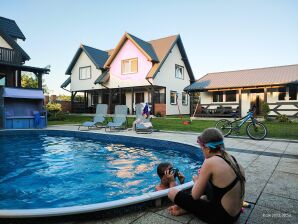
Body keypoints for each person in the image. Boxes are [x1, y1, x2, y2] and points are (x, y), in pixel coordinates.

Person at [167, 128, 246, 224]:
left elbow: (195, 196)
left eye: (202, 149)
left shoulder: (210, 162)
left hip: (222, 218)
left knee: (172, 192)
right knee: (202, 189)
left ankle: (187, 209)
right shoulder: (231, 158)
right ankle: (186, 209)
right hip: (235, 214)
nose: (202, 152)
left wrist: (197, 180)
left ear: (207, 148)